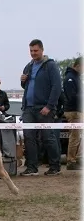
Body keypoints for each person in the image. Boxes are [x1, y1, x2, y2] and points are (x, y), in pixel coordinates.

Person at [20, 39, 62, 176]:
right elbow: (25, 86)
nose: (33, 53)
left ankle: (55, 166)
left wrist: (49, 106)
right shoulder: (28, 66)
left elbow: (57, 87)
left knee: (47, 137)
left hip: (44, 108)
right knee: (28, 137)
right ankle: (32, 167)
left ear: (42, 50)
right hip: (28, 108)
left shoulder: (50, 66)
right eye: (31, 51)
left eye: (35, 50)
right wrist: (23, 81)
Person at [63, 56, 83, 170]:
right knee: (75, 136)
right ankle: (71, 160)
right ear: (79, 66)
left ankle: (77, 158)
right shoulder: (70, 78)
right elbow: (72, 96)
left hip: (77, 110)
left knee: (78, 136)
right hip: (73, 111)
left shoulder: (75, 77)